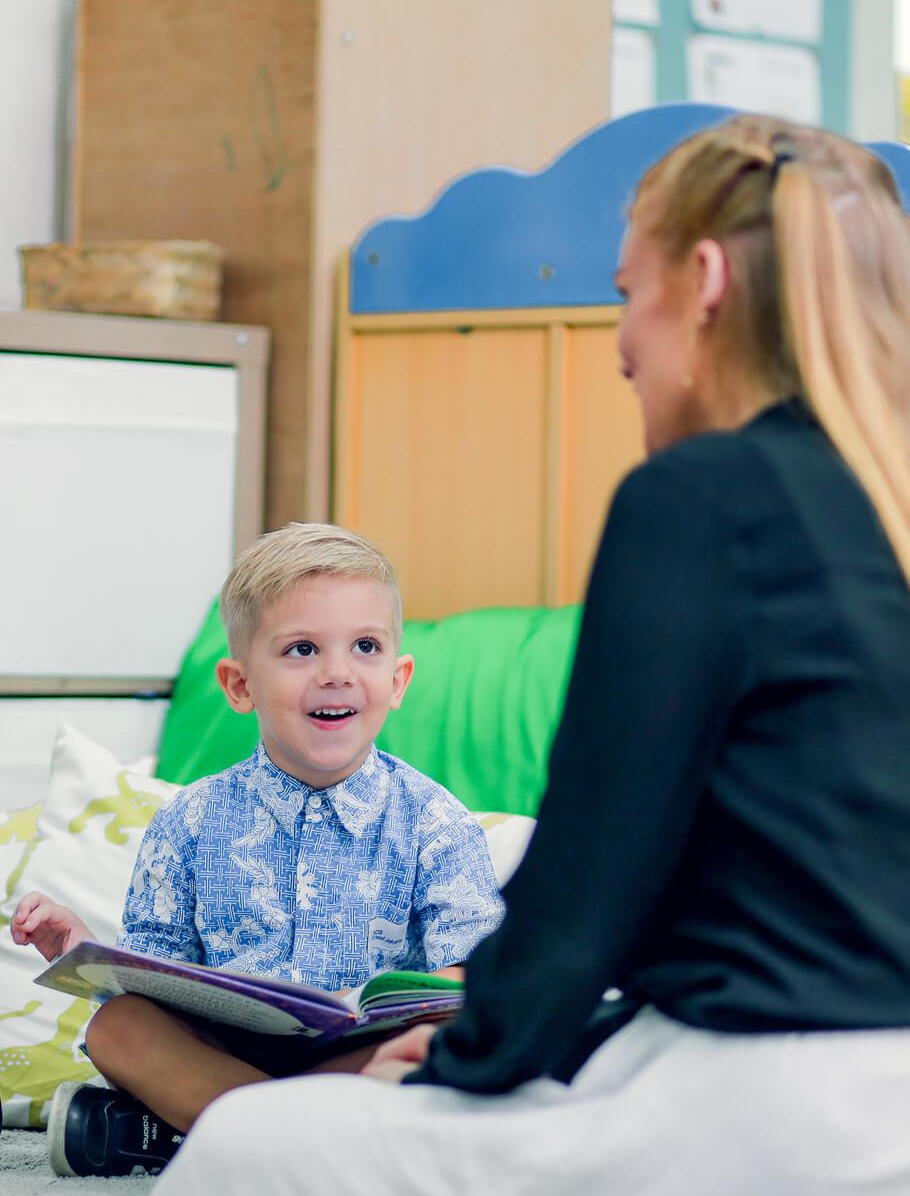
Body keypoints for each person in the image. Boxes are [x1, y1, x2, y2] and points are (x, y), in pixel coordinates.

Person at [154, 114, 910, 1196]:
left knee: (248, 1145)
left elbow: (590, 884)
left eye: (621, 295)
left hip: (780, 1105)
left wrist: (470, 1054)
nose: (618, 350)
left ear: (702, 281)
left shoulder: (698, 499)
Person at [11, 522, 503, 1178]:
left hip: (361, 1057)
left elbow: (472, 977)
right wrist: (86, 956)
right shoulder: (186, 822)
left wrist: (421, 994)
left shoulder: (436, 823)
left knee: (450, 1039)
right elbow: (158, 977)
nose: (336, 673)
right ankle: (307, 1139)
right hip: (220, 1055)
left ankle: (195, 1135)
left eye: (365, 646)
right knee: (119, 1027)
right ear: (240, 685)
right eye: (301, 649)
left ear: (398, 678)